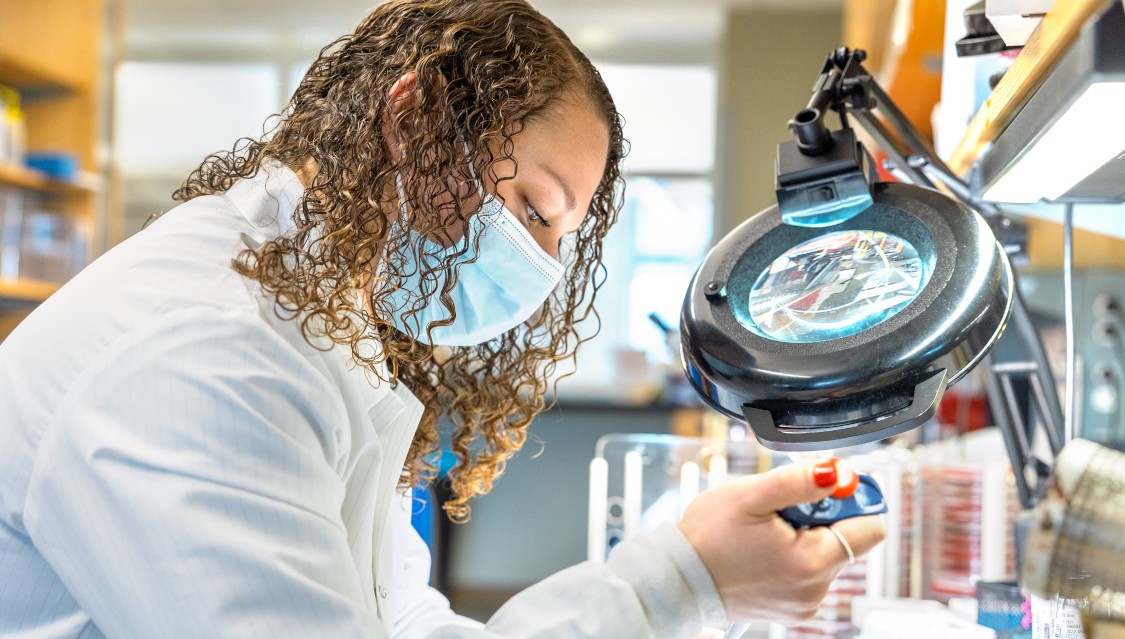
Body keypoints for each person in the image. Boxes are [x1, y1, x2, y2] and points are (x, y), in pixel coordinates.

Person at [0, 1, 884, 637]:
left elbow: (402, 624)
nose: (537, 264)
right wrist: (681, 583)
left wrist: (686, 577)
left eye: (558, 236)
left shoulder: (323, 330)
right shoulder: (203, 349)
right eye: (535, 210)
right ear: (416, 120)